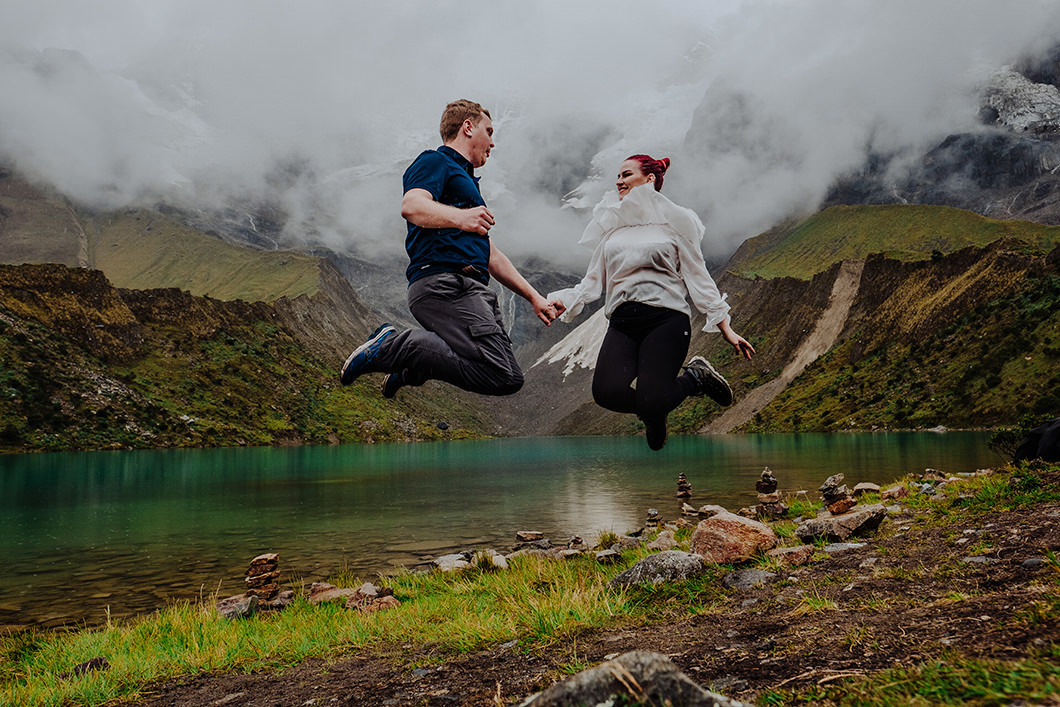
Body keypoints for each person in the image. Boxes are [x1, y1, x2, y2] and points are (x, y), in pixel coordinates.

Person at [340, 99, 557, 398]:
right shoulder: (435, 162)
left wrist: (534, 297)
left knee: (501, 373)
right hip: (447, 285)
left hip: (472, 289)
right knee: (505, 375)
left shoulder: (467, 182)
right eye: (489, 131)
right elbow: (412, 205)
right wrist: (463, 217)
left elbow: (491, 254)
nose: (493, 142)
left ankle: (414, 368)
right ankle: (390, 347)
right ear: (468, 127)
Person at [546, 155, 754, 450]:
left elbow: (699, 279)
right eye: (617, 176)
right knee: (606, 392)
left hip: (666, 320)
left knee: (653, 397)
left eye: (626, 174)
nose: (618, 181)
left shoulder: (673, 227)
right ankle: (658, 410)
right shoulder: (612, 232)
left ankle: (695, 378)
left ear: (649, 179)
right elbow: (591, 283)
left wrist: (726, 328)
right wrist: (562, 303)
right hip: (622, 324)